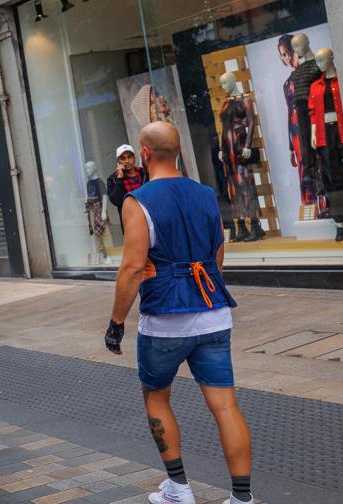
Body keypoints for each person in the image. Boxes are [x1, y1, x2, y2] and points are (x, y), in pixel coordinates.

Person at [105, 122, 253, 504]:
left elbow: (133, 269)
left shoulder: (137, 201)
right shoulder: (206, 194)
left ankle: (179, 489)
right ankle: (242, 498)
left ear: (145, 154)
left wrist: (116, 323)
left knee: (156, 397)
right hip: (214, 313)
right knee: (225, 404)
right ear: (179, 151)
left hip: (165, 319)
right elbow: (217, 257)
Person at [106, 144, 149, 218]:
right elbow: (115, 201)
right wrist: (119, 179)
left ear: (134, 158)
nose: (126, 161)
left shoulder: (144, 173)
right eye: (122, 158)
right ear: (118, 162)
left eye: (129, 157)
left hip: (148, 215)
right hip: (130, 219)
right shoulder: (112, 179)